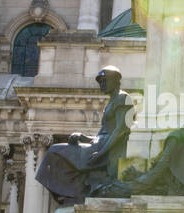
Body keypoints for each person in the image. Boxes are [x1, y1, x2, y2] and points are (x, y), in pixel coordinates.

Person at [36, 67, 133, 202]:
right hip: (99, 144)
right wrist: (83, 137)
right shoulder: (111, 102)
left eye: (105, 81)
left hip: (109, 150)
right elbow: (104, 133)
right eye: (100, 82)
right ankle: (68, 195)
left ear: (116, 81)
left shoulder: (123, 98)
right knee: (54, 153)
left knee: (54, 152)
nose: (102, 85)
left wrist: (101, 154)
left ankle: (71, 194)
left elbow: (120, 130)